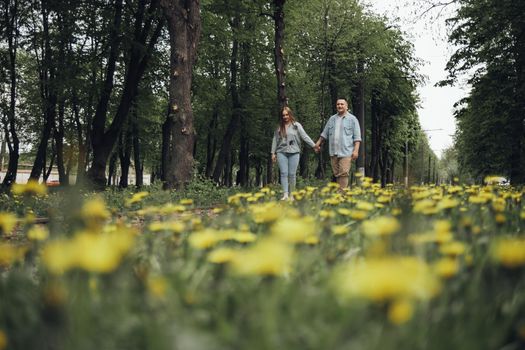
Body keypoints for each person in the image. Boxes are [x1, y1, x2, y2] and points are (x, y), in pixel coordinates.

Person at [271, 106, 319, 200]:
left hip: (294, 152)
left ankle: (292, 195)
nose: (285, 117)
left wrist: (314, 145)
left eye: (287, 115)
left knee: (292, 174)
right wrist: (273, 153)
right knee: (284, 173)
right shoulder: (279, 127)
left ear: (290, 114)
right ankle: (285, 194)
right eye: (283, 115)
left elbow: (304, 136)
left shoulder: (296, 125)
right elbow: (275, 140)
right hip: (281, 152)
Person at [315, 98, 362, 190]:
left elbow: (357, 137)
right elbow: (324, 134)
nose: (339, 106)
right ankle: (341, 194)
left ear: (346, 106)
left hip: (346, 152)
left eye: (342, 104)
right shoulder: (332, 119)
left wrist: (356, 151)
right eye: (338, 104)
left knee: (344, 173)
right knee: (337, 174)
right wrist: (318, 143)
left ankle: (342, 195)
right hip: (333, 152)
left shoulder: (352, 119)